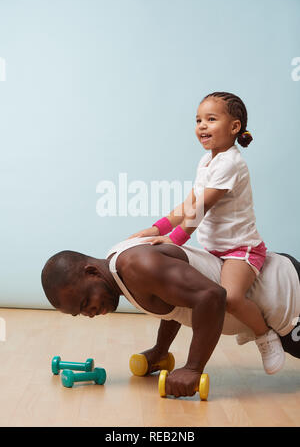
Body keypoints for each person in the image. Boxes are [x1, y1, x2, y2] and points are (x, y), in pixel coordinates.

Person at [129, 91, 284, 374]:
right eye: (198, 119)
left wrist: (175, 238)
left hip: (241, 249)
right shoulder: (207, 162)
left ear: (234, 127)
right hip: (213, 250)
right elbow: (189, 203)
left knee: (232, 297)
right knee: (179, 290)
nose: (202, 125)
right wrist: (156, 228)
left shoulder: (230, 163)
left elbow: (202, 207)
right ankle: (161, 351)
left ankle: (264, 334)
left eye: (211, 119)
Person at [41, 237, 300, 398]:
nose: (90, 313)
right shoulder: (119, 270)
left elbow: (211, 297)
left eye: (86, 302)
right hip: (277, 299)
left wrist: (193, 368)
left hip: (287, 296)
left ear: (91, 272)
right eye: (80, 312)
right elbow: (176, 301)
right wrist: (160, 350)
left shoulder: (136, 267)